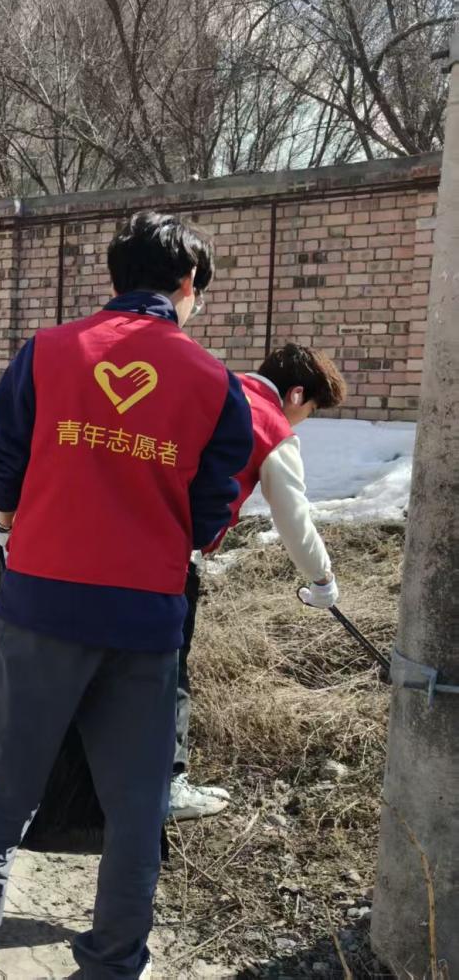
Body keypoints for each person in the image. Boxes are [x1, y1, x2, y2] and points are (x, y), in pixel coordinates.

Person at [0, 210, 253, 979]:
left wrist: (13, 515)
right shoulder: (215, 383)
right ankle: (116, 960)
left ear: (116, 278)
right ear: (187, 285)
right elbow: (214, 513)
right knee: (136, 802)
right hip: (147, 619)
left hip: (42, 605)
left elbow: (3, 467)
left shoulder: (49, 351)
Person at [170, 342, 348, 820]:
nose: (302, 421)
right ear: (296, 394)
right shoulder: (270, 426)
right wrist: (321, 578)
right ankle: (169, 785)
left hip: (110, 537)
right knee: (168, 673)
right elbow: (293, 518)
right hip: (170, 558)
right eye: (309, 411)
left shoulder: (214, 387)